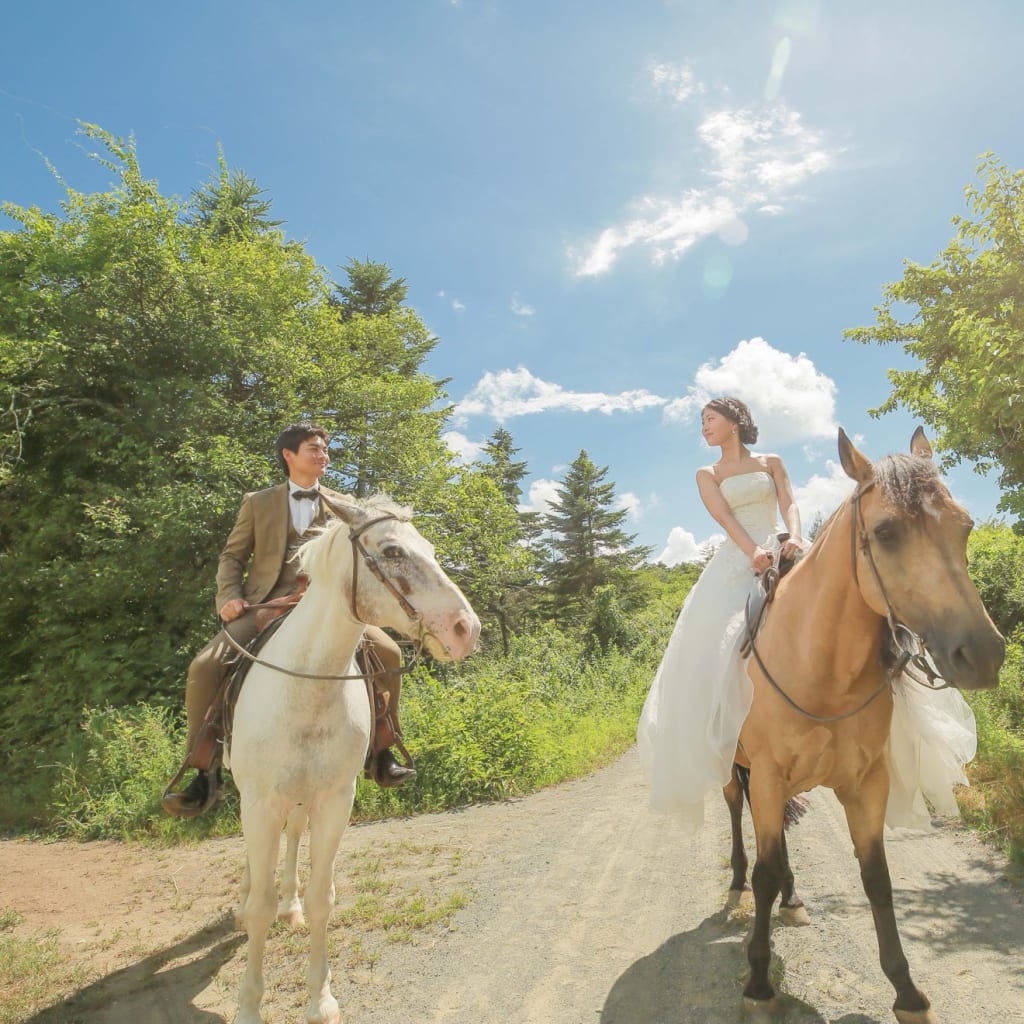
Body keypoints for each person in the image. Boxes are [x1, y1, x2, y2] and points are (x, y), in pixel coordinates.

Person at [636, 397, 976, 833]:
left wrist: (793, 537)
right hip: (740, 558)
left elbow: (789, 502)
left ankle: (893, 684)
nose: (704, 427)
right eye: (702, 421)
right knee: (717, 641)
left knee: (846, 607)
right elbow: (724, 518)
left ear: (735, 423)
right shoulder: (709, 474)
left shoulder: (771, 461)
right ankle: (727, 728)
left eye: (711, 419)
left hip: (787, 546)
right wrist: (754, 551)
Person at [162, 423, 416, 819]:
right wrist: (229, 598)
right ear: (289, 455)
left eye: (325, 450)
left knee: (387, 653)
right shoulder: (257, 503)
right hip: (266, 606)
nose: (323, 455)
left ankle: (383, 752)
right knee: (205, 666)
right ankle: (202, 771)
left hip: (329, 606)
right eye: (314, 449)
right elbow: (232, 558)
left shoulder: (345, 505)